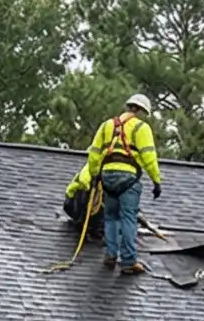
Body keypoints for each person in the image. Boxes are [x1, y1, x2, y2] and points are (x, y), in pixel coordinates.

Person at [67, 94, 162, 274]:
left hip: (107, 177)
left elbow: (94, 153)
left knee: (110, 217)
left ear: (128, 107)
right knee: (128, 217)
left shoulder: (107, 126)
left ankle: (110, 255)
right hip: (128, 177)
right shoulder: (141, 127)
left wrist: (95, 174)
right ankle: (128, 261)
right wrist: (156, 181)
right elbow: (149, 157)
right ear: (141, 111)